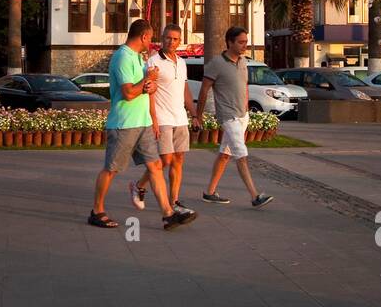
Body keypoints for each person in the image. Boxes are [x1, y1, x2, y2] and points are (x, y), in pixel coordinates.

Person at [90, 20, 196, 231]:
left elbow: (145, 88)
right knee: (111, 169)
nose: (153, 42)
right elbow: (129, 93)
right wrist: (148, 80)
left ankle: (168, 213)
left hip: (143, 122)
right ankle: (96, 211)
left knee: (156, 166)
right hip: (124, 124)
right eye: (151, 37)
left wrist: (151, 84)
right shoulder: (122, 57)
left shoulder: (139, 58)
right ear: (144, 37)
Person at [196, 26, 273, 208]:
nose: (244, 45)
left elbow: (243, 86)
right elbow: (204, 90)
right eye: (240, 42)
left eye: (246, 41)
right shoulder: (216, 63)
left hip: (242, 115)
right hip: (228, 117)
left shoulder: (243, 61)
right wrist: (197, 116)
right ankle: (255, 196)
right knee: (241, 154)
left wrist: (246, 108)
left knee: (224, 155)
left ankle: (210, 192)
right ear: (229, 42)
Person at [132, 24, 196, 215]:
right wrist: (154, 119)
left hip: (180, 118)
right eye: (167, 38)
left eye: (175, 39)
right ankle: (139, 186)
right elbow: (149, 92)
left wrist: (194, 114)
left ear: (179, 40)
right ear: (162, 38)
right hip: (162, 117)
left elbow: (184, 89)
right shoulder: (153, 61)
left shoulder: (182, 62)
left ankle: (174, 201)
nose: (171, 41)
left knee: (179, 160)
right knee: (165, 159)